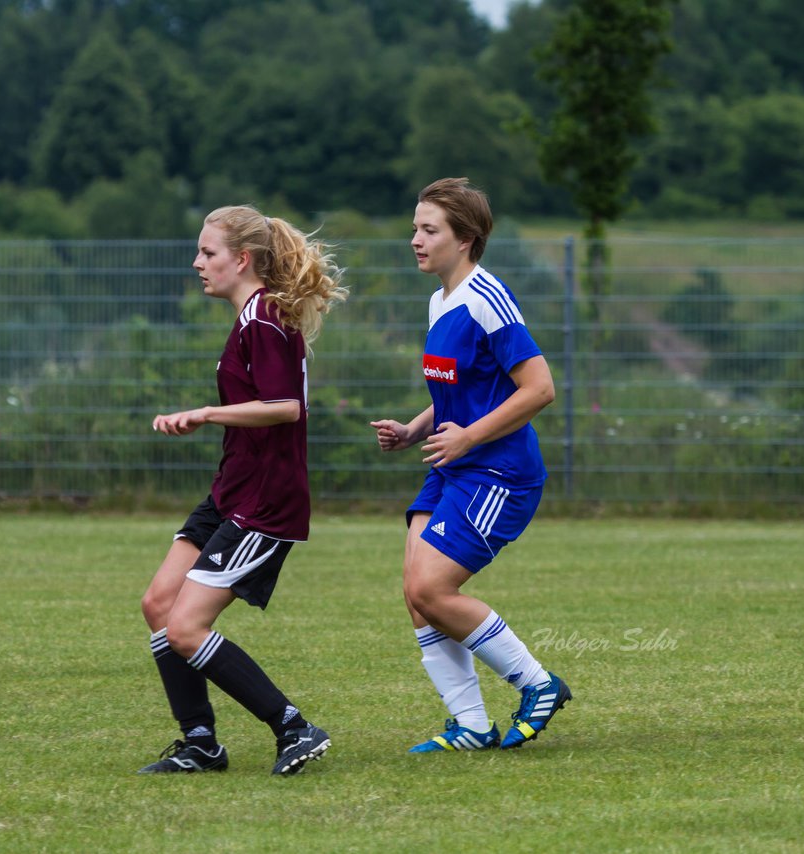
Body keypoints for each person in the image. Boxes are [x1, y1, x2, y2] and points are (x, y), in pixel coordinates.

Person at [138, 205, 346, 775]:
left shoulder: (263, 318)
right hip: (232, 491)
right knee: (159, 604)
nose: (198, 262)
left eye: (208, 253)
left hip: (265, 501)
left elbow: (285, 408)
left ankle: (293, 728)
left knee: (185, 626)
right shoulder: (254, 315)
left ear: (242, 259)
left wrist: (207, 413)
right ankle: (201, 743)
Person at [370, 178, 571, 753]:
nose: (415, 239)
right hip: (453, 464)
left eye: (429, 230)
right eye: (415, 227)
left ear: (466, 239)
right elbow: (464, 390)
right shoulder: (440, 300)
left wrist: (468, 439)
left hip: (498, 472)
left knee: (432, 588)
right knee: (417, 594)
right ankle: (472, 726)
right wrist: (417, 429)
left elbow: (539, 388)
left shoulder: (486, 297)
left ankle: (537, 684)